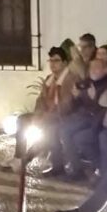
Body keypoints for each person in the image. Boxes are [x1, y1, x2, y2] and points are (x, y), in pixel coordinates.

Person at [29, 47, 81, 176]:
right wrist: (38, 115)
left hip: (65, 116)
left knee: (51, 129)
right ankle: (19, 156)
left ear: (64, 63)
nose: (52, 64)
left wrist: (46, 117)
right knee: (22, 120)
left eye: (56, 60)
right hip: (49, 115)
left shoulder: (71, 78)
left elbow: (67, 104)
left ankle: (30, 157)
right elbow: (41, 100)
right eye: (51, 60)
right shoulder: (49, 79)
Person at [60, 57, 107, 180]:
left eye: (97, 68)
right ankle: (74, 167)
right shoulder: (87, 82)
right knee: (62, 129)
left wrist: (83, 96)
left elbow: (99, 105)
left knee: (70, 133)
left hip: (96, 119)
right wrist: (76, 97)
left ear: (105, 70)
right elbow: (77, 104)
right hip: (83, 116)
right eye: (91, 67)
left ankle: (82, 169)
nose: (93, 70)